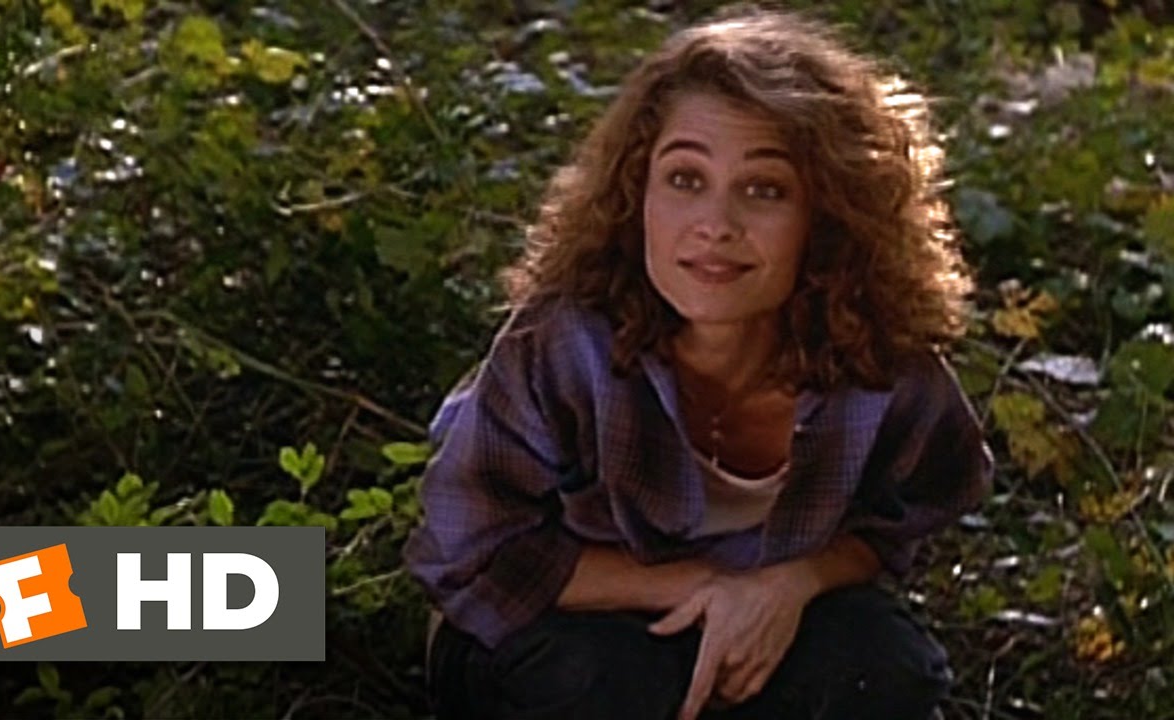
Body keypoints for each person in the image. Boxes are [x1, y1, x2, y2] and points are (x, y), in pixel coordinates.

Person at [402, 8, 993, 720]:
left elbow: (902, 518)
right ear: (637, 193)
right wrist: (708, 588)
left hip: (762, 615)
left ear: (829, 215)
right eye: (685, 178)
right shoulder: (563, 343)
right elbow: (471, 550)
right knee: (606, 686)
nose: (716, 224)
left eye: (764, 189)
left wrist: (789, 584)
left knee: (886, 671)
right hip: (562, 619)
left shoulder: (880, 365)